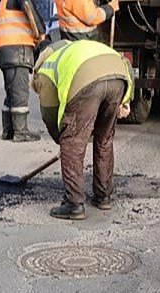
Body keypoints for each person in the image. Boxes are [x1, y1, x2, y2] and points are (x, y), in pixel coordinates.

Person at [32, 40, 134, 220]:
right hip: (118, 76)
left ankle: (74, 204)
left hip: (88, 80)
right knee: (104, 140)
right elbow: (125, 64)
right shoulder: (76, 48)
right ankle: (103, 196)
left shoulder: (47, 66)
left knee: (72, 143)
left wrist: (63, 140)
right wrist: (126, 98)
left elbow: (49, 113)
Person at [0, 0, 47, 143]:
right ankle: (21, 132)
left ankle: (8, 130)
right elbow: (28, 6)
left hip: (3, 49)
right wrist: (40, 33)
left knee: (10, 91)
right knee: (20, 91)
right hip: (17, 49)